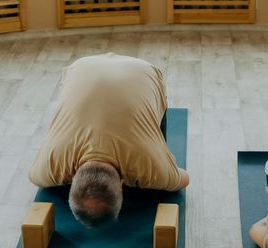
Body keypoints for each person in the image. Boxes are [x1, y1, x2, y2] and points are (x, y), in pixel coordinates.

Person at [29, 53, 189, 227]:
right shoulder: (51, 164)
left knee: (152, 191)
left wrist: (150, 173)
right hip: (84, 68)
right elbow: (183, 178)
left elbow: (183, 180)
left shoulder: (148, 163)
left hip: (141, 73)